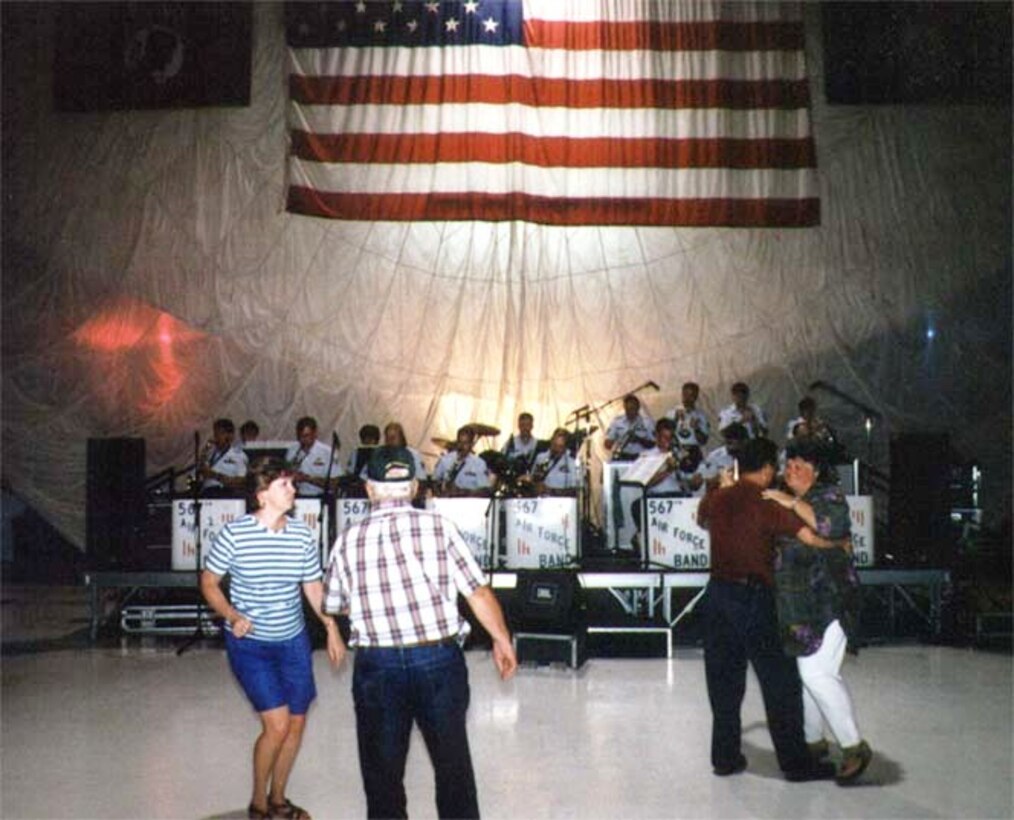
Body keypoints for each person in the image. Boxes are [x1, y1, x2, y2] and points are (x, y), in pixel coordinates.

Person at [323, 447, 517, 819]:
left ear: (369, 490)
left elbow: (334, 603)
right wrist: (501, 638)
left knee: (383, 776)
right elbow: (477, 592)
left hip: (377, 665)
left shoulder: (347, 539)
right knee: (453, 766)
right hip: (438, 660)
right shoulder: (440, 527)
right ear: (414, 487)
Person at [200, 456, 345, 820]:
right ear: (262, 495)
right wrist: (232, 615)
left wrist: (331, 628)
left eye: (292, 483)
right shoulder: (235, 534)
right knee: (277, 724)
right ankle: (258, 803)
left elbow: (312, 587)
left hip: (293, 642)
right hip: (251, 646)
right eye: (284, 484)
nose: (293, 489)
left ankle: (278, 799)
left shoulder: (301, 534)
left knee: (296, 722)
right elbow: (209, 582)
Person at [696, 437, 838, 782]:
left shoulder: (718, 498)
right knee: (780, 684)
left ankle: (725, 758)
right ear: (767, 469)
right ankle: (795, 764)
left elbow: (701, 517)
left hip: (717, 596)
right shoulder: (767, 501)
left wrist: (719, 487)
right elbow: (810, 536)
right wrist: (840, 545)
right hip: (755, 600)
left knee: (724, 684)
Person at [762, 439, 872, 784]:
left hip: (830, 603)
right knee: (805, 673)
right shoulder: (781, 499)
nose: (791, 471)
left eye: (800, 466)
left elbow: (830, 528)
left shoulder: (829, 496)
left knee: (816, 674)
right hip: (798, 609)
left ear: (817, 471)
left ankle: (853, 746)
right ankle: (813, 742)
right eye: (788, 464)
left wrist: (792, 503)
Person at [285, 416, 341, 497]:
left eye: (306, 435)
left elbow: (335, 483)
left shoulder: (327, 452)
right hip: (298, 496)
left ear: (315, 433)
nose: (303, 440)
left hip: (320, 496)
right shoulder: (292, 450)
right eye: (300, 436)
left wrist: (308, 479)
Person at [433, 426, 491, 496]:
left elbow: (485, 490)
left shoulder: (479, 464)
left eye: (465, 443)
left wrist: (463, 492)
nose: (461, 446)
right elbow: (434, 481)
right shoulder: (445, 459)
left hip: (467, 500)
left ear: (471, 444)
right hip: (447, 499)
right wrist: (439, 493)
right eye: (460, 442)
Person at [199, 418, 248, 494]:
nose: (216, 437)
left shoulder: (239, 455)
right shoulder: (210, 453)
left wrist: (215, 475)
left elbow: (240, 481)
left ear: (230, 436)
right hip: (207, 492)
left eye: (221, 433)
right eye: (215, 434)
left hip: (226, 493)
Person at [604, 394, 655, 461]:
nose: (631, 412)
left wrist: (639, 440)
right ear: (625, 408)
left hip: (641, 457)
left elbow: (653, 444)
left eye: (633, 408)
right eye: (629, 409)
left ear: (638, 407)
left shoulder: (647, 422)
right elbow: (608, 444)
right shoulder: (617, 422)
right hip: (623, 457)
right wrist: (610, 441)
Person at [530, 427, 579, 495]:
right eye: (555, 445)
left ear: (565, 447)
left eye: (560, 447)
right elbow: (533, 480)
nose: (556, 450)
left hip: (562, 500)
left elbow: (575, 491)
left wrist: (550, 491)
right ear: (551, 441)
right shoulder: (540, 458)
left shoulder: (572, 463)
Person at [667, 381, 711, 448]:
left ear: (695, 397)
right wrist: (675, 419)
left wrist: (696, 429)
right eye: (685, 394)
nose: (687, 398)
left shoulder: (701, 416)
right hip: (676, 449)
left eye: (691, 395)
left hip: (694, 450)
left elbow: (703, 441)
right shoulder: (672, 412)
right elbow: (665, 436)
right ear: (682, 395)